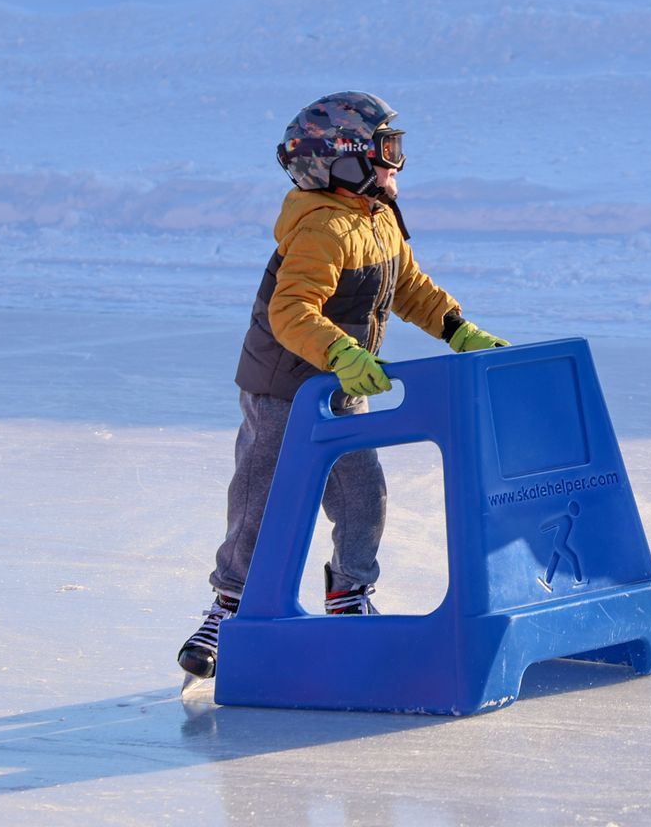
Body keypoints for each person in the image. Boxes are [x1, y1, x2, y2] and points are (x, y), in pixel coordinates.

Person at [178, 91, 510, 679]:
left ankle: (348, 593)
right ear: (344, 159)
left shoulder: (376, 219)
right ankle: (228, 606)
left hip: (340, 387)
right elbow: (292, 310)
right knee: (263, 497)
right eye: (387, 149)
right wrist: (341, 351)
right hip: (284, 387)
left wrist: (457, 329)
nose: (395, 162)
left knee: (363, 499)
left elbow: (406, 287)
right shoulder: (322, 229)